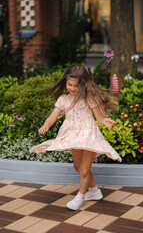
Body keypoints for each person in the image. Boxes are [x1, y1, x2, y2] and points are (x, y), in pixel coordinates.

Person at [30, 65, 122, 210]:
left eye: (76, 85)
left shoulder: (89, 98)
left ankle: (80, 196)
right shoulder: (63, 99)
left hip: (89, 135)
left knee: (84, 170)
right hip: (74, 136)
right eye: (69, 84)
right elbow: (53, 115)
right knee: (78, 167)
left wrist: (106, 121)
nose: (72, 88)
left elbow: (99, 117)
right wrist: (46, 124)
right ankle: (94, 191)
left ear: (84, 84)